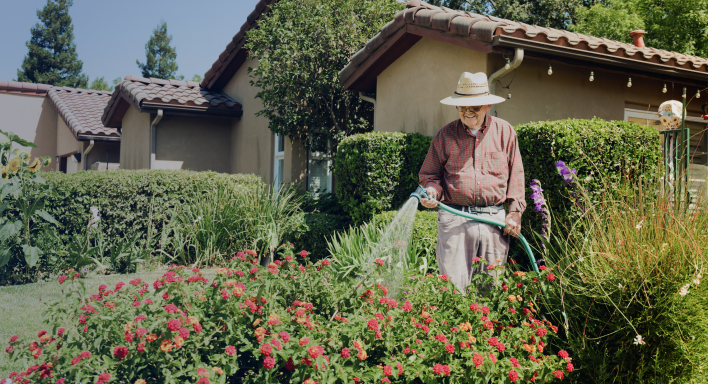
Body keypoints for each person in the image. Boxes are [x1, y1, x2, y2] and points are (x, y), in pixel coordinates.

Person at [418, 72, 525, 294]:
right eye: (462, 107)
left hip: (493, 219)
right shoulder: (445, 135)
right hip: (455, 218)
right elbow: (430, 175)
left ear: (486, 105)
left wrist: (515, 213)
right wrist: (430, 191)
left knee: (490, 289)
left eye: (473, 107)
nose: (467, 112)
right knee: (452, 290)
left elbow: (516, 174)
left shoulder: (505, 132)